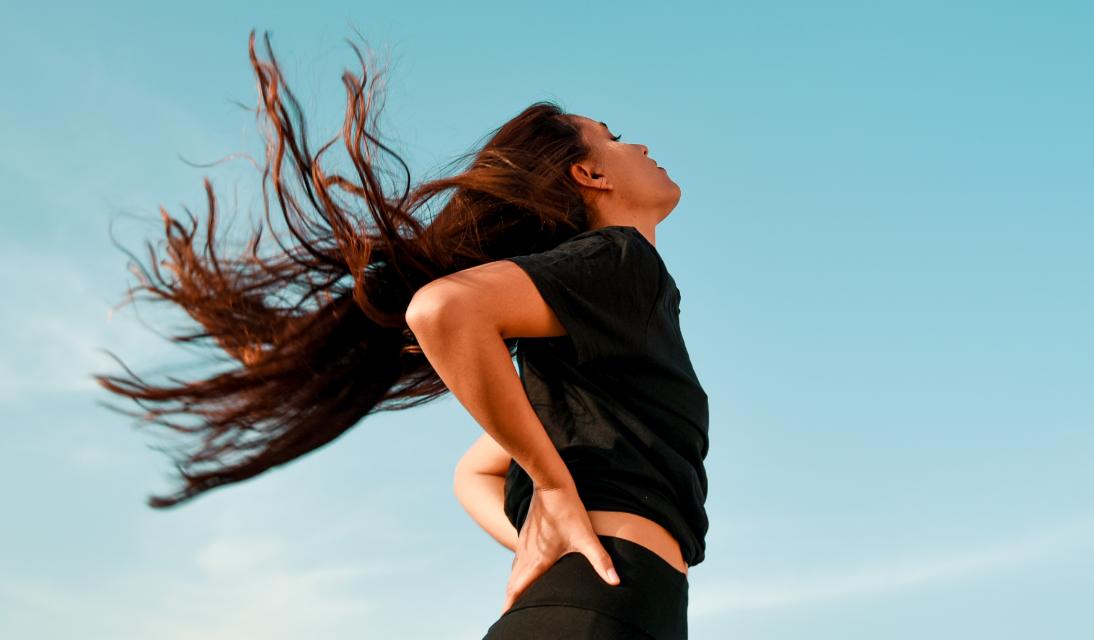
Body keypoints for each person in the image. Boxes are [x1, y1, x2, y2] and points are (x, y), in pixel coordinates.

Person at [93, 31, 707, 640]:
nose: (643, 144)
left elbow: (475, 474)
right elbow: (442, 310)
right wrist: (550, 487)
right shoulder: (622, 259)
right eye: (615, 137)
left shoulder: (608, 325)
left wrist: (543, 534)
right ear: (589, 173)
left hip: (594, 610)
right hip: (599, 615)